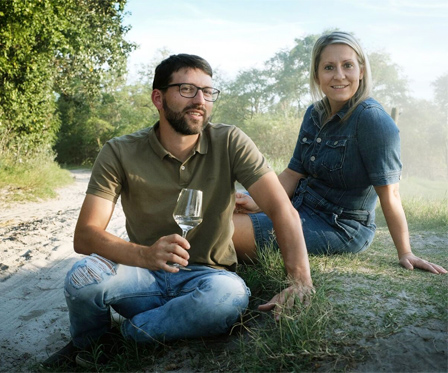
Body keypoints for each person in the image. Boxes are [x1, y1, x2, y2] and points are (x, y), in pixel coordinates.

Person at [44, 54, 314, 368]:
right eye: (187, 89)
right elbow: (85, 236)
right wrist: (145, 256)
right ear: (158, 98)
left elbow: (282, 209)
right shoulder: (119, 151)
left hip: (209, 280)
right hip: (142, 278)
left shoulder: (230, 141)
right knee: (82, 277)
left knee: (230, 298)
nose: (200, 100)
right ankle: (89, 347)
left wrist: (300, 282)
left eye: (208, 91)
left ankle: (128, 336)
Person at [233, 31, 446, 275]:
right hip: (297, 204)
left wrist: (405, 252)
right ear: (317, 75)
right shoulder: (314, 113)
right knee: (218, 206)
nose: (339, 75)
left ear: (361, 71)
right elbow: (293, 173)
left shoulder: (373, 120)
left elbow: (391, 195)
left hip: (338, 226)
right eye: (329, 67)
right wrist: (258, 201)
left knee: (224, 229)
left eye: (347, 65)